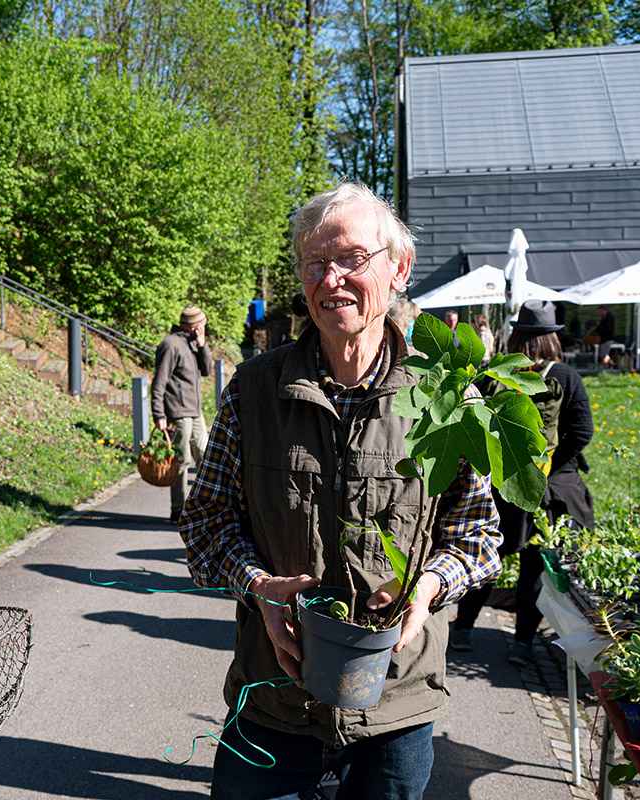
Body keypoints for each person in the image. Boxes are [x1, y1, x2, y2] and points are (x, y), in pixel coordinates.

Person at [179, 182, 501, 800]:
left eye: (352, 258)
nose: (331, 280)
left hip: (396, 701)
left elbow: (478, 535)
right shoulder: (254, 390)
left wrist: (428, 588)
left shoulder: (448, 398)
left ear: (398, 268)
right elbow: (206, 523)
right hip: (272, 698)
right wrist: (259, 587)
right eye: (315, 263)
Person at [450, 300, 594, 665]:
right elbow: (582, 431)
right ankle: (523, 644)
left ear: (515, 337)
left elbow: (471, 421)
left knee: (486, 553)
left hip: (500, 482)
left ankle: (462, 630)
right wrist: (551, 465)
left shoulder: (495, 373)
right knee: (534, 566)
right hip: (549, 487)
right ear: (553, 339)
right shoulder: (565, 376)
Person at [152, 305, 212, 523]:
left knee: (205, 456)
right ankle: (178, 510)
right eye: (203, 325)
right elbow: (159, 382)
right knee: (182, 461)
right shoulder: (170, 345)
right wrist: (159, 414)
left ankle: (205, 507)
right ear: (194, 326)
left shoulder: (193, 343)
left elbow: (207, 370)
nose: (205, 328)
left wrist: (202, 345)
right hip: (178, 411)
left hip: (195, 411)